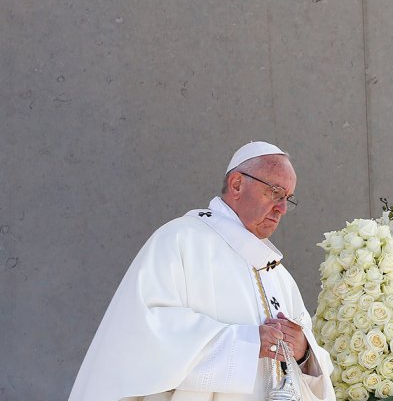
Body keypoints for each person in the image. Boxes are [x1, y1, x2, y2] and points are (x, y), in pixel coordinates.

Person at [69, 141, 336, 401]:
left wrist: (303, 351)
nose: (282, 208)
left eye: (288, 198)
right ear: (237, 184)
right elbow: (144, 335)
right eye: (275, 192)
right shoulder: (180, 240)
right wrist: (248, 343)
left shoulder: (277, 274)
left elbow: (313, 366)